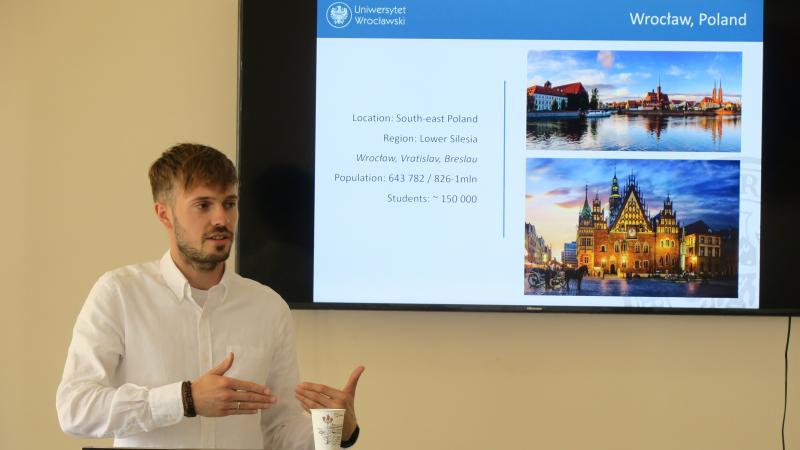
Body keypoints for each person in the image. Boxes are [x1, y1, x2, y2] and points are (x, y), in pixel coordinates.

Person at [56, 143, 363, 449]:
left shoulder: (268, 307)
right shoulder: (119, 294)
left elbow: (278, 430)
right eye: (203, 205)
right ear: (164, 214)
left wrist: (337, 429)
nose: (221, 219)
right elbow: (75, 409)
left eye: (229, 204)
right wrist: (185, 398)